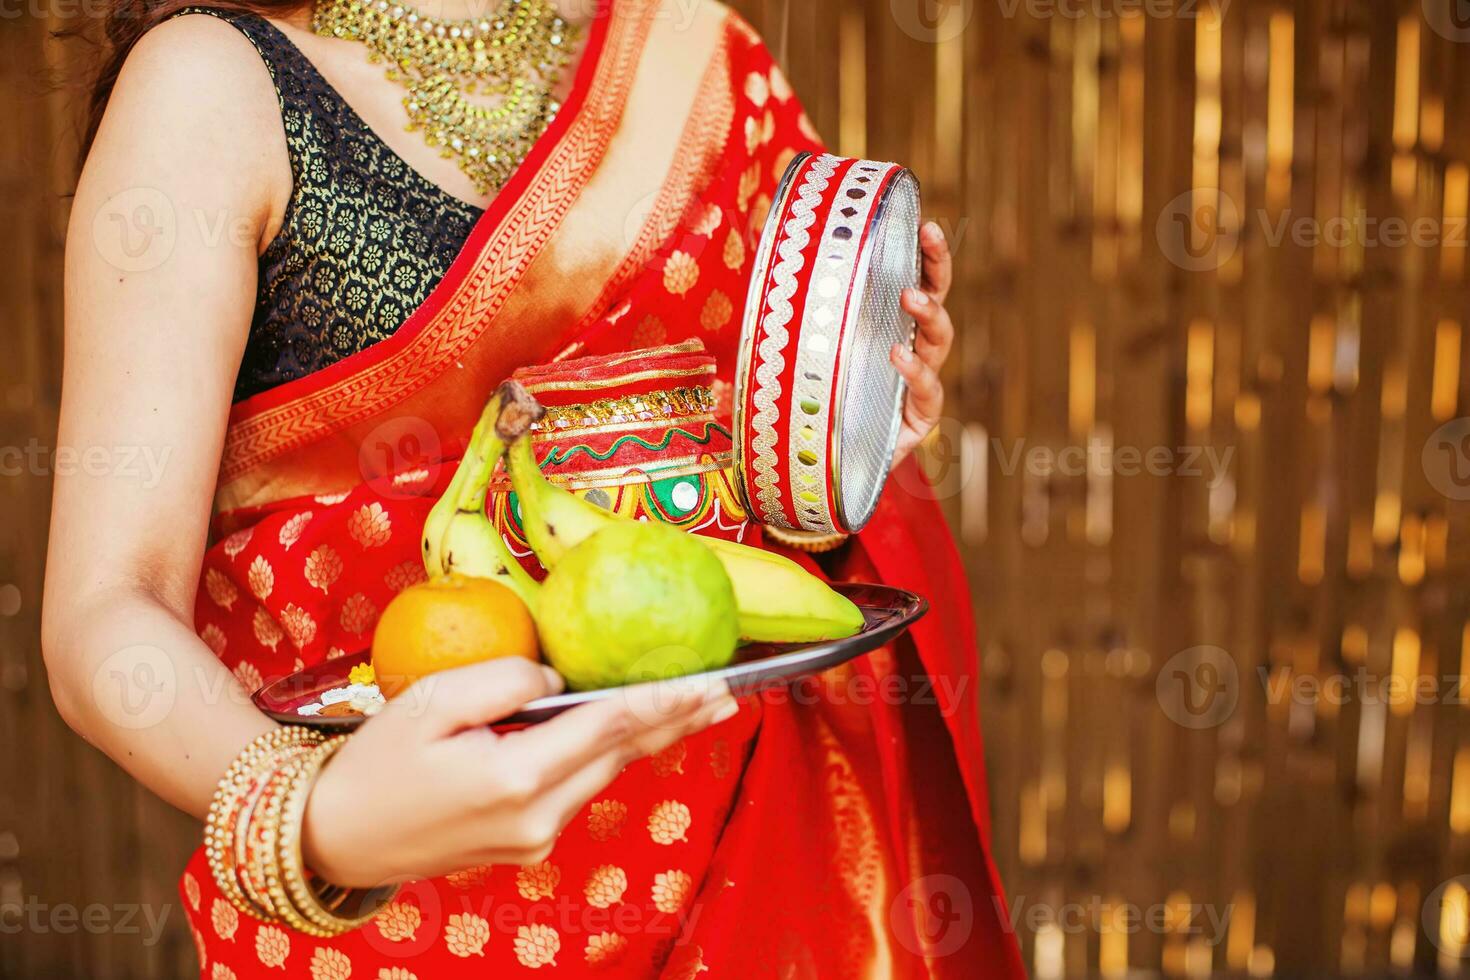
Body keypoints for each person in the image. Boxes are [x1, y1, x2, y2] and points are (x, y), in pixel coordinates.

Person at [43, 0, 1025, 975]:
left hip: (746, 870)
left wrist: (842, 437)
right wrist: (318, 819)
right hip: (388, 921)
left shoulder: (693, 51)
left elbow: (750, 476)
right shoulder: (209, 86)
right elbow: (106, 609)